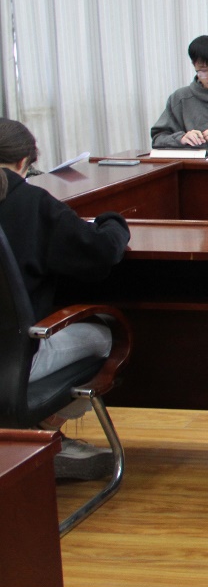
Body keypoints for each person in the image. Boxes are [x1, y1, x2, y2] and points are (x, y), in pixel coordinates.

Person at [0, 119, 130, 480]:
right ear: (25, 163)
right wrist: (113, 221)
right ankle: (43, 437)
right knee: (105, 335)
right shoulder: (31, 203)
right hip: (13, 364)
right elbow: (100, 254)